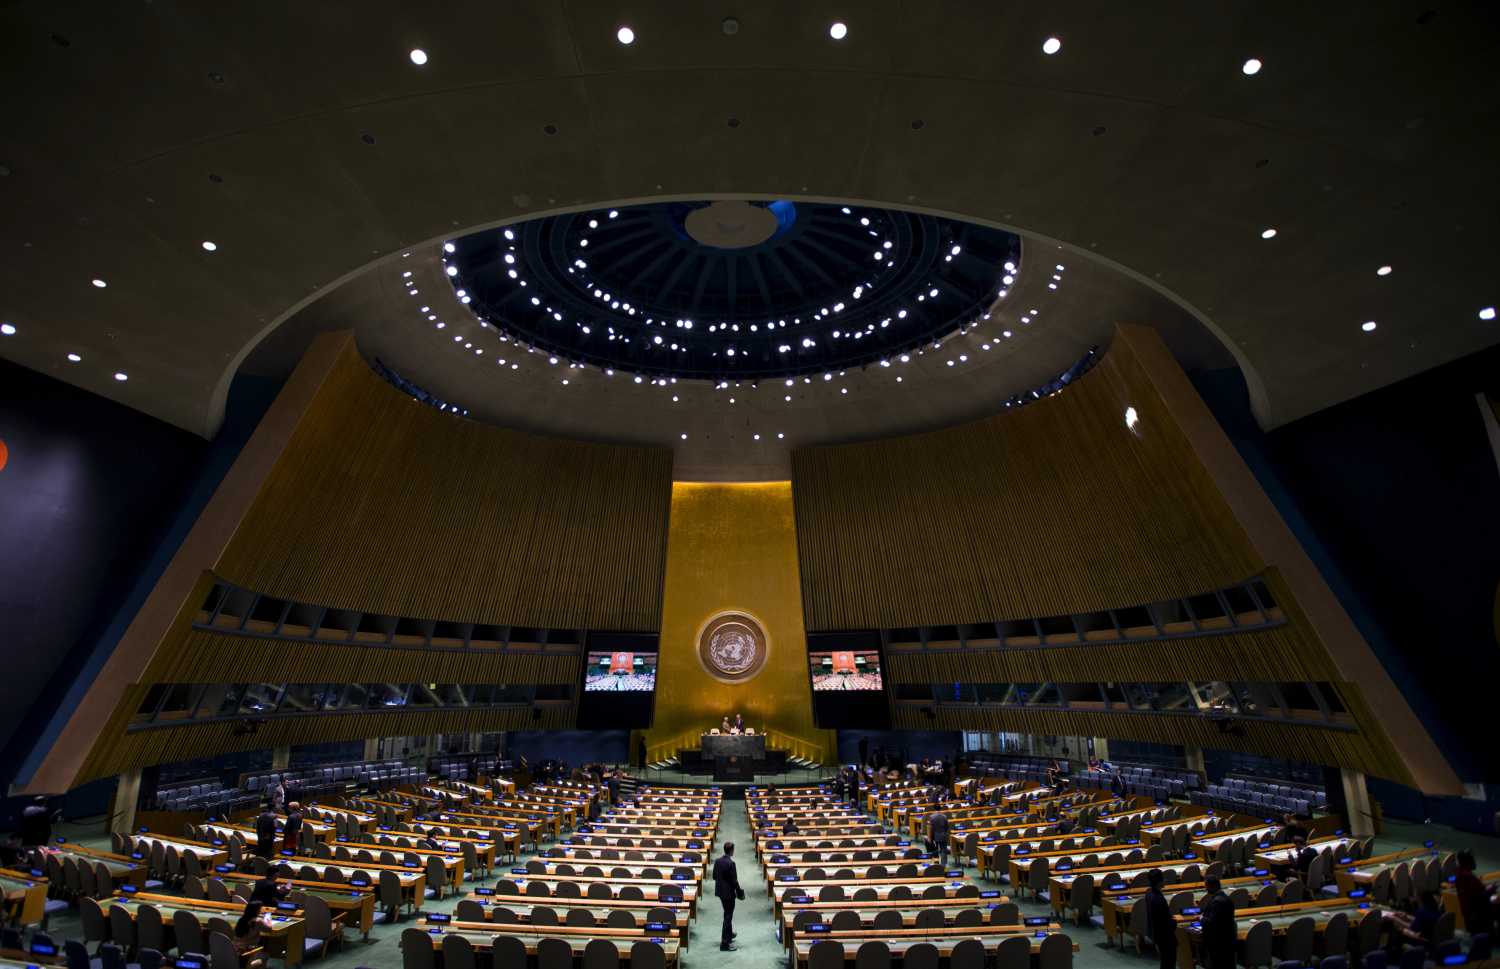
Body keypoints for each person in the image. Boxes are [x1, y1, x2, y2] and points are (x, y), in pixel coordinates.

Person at [1453, 851, 1494, 937]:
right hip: (1477, 911)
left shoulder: (1459, 873)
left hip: (1470, 910)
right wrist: (1491, 889)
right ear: (1467, 862)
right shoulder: (1468, 877)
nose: (1474, 862)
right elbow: (1479, 898)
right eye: (1472, 860)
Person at [712, 841, 744, 951]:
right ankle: (724, 944)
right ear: (731, 851)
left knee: (727, 914)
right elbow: (734, 881)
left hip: (720, 892)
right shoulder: (731, 863)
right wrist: (739, 892)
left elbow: (714, 877)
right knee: (728, 917)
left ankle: (729, 935)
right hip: (729, 894)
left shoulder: (717, 861)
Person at [1200, 875, 1237, 969]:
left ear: (1212, 886)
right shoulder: (1227, 898)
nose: (1206, 888)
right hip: (1229, 939)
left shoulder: (1217, 902)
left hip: (1219, 942)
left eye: (1206, 886)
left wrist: (1201, 919)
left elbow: (1213, 923)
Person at [1144, 869, 1176, 969]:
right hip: (1164, 935)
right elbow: (1164, 919)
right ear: (1160, 881)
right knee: (1168, 962)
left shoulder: (1149, 894)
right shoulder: (1158, 898)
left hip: (1156, 933)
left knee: (1165, 961)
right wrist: (1174, 922)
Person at [927, 800, 950, 867]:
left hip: (935, 836)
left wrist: (929, 838)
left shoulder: (931, 817)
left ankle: (936, 864)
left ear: (934, 808)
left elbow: (931, 828)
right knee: (943, 850)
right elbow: (947, 827)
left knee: (935, 850)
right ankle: (943, 865)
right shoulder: (944, 816)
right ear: (940, 808)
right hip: (943, 835)